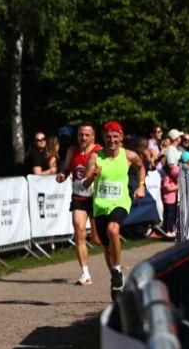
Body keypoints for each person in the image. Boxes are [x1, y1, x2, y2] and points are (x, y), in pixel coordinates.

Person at [82, 121, 146, 299]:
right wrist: (92, 177)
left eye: (115, 137)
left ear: (121, 137)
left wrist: (141, 185)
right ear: (103, 137)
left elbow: (141, 166)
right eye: (108, 137)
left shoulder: (129, 155)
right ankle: (115, 279)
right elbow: (85, 184)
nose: (112, 140)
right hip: (100, 205)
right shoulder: (95, 157)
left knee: (113, 229)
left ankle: (117, 271)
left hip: (120, 202)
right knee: (106, 246)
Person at [56, 123, 101, 285]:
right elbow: (67, 168)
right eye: (81, 134)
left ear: (93, 137)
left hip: (96, 199)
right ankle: (85, 273)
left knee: (97, 239)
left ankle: (114, 265)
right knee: (79, 231)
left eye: (87, 135)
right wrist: (62, 174)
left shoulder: (99, 151)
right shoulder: (72, 150)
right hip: (79, 197)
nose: (83, 138)